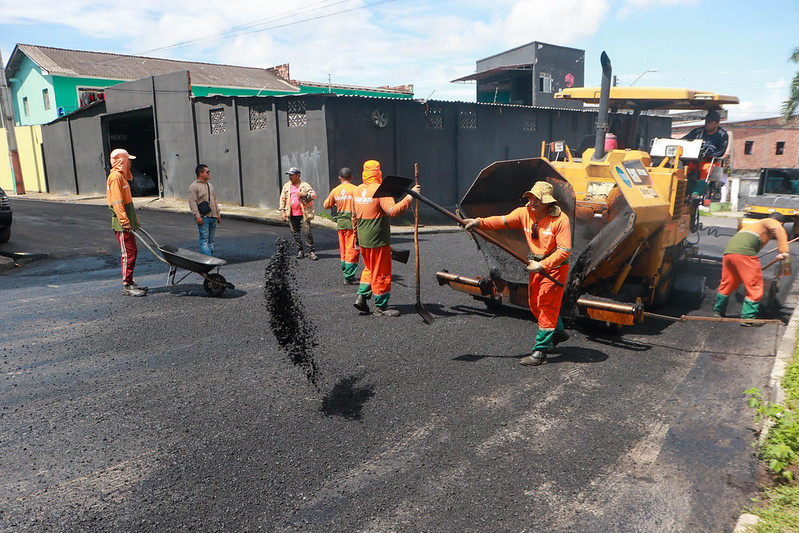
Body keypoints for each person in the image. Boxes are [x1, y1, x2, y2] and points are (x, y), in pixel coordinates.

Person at [462, 181, 571, 366]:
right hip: (534, 263)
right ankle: (558, 332)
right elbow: (502, 221)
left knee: (546, 304)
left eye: (537, 200)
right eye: (531, 198)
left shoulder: (561, 220)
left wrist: (543, 264)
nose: (532, 203)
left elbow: (564, 251)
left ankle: (540, 352)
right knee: (534, 303)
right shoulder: (524, 213)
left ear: (548, 202)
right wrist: (479, 222)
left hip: (555, 267)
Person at [352, 160, 420, 317]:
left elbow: (354, 216)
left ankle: (361, 297)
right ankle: (381, 307)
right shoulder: (381, 190)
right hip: (378, 240)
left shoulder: (357, 190)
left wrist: (356, 235)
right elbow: (393, 211)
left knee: (369, 268)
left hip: (363, 239)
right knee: (381, 271)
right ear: (378, 172)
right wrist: (410, 197)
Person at [714, 215, 790, 322]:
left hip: (729, 253)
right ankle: (748, 318)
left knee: (729, 282)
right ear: (781, 222)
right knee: (755, 286)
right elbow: (778, 229)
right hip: (745, 254)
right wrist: (784, 252)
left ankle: (718, 311)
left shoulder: (754, 226)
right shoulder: (770, 222)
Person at [106, 148, 147, 297]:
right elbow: (117, 202)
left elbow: (127, 202)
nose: (130, 163)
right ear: (121, 161)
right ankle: (127, 285)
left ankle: (130, 281)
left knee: (132, 252)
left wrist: (134, 221)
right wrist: (124, 221)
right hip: (121, 225)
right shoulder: (116, 177)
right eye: (128, 160)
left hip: (127, 222)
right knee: (127, 253)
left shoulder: (121, 178)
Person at [323, 167, 360, 284]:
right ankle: (348, 276)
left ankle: (345, 271)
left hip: (340, 224)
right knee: (352, 249)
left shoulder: (335, 190)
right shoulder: (356, 190)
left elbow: (326, 205)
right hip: (352, 224)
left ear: (340, 178)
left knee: (343, 249)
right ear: (351, 177)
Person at [681, 109, 729, 197]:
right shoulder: (698, 132)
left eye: (709, 122)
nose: (706, 124)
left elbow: (721, 151)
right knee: (683, 169)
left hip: (709, 161)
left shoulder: (722, 135)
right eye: (706, 121)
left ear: (717, 123)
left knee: (706, 170)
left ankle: (697, 192)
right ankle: (684, 190)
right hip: (694, 160)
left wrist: (706, 154)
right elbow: (684, 139)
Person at [279, 167, 317, 260]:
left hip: (303, 214)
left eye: (292, 175)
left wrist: (304, 195)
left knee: (307, 232)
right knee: (295, 233)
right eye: (289, 175)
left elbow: (314, 195)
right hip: (291, 214)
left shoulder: (305, 185)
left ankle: (311, 252)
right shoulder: (286, 186)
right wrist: (283, 212)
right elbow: (282, 199)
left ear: (298, 175)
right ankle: (300, 251)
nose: (290, 177)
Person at [188, 164, 221, 256]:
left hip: (213, 216)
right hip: (203, 217)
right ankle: (208, 259)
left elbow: (214, 199)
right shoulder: (194, 186)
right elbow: (192, 202)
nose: (209, 173)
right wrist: (197, 216)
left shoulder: (210, 185)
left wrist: (217, 213)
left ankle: (211, 258)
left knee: (211, 240)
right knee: (204, 240)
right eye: (207, 172)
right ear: (200, 173)